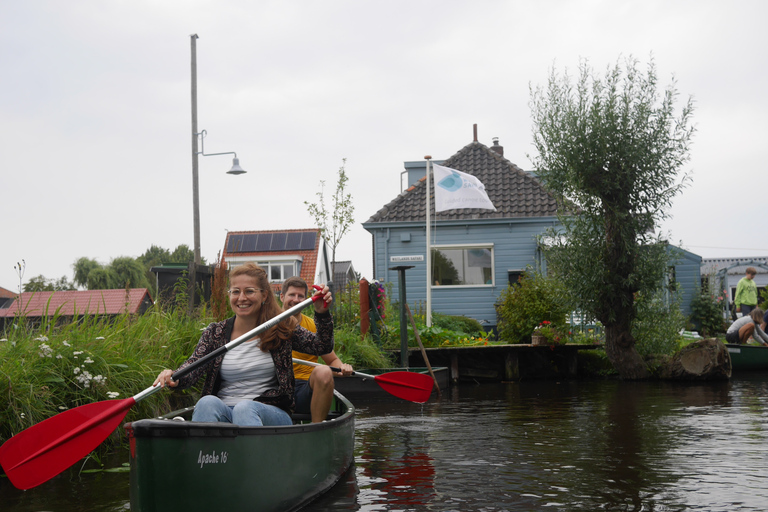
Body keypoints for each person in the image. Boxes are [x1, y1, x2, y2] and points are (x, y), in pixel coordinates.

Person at [153, 263, 334, 426]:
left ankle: (253, 461)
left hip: (271, 412)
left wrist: (322, 314)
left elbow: (321, 347)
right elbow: (193, 367)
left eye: (249, 291)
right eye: (235, 291)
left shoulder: (282, 327)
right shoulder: (215, 332)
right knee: (206, 402)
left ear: (263, 295)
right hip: (224, 410)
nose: (241, 298)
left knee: (244, 408)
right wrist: (174, 376)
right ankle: (206, 459)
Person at [281, 276, 353, 423]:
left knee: (324, 371)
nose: (296, 300)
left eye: (301, 296)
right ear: (282, 297)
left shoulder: (313, 326)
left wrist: (342, 368)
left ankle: (316, 429)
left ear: (307, 299)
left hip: (305, 389)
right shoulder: (269, 323)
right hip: (277, 387)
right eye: (292, 295)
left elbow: (332, 359)